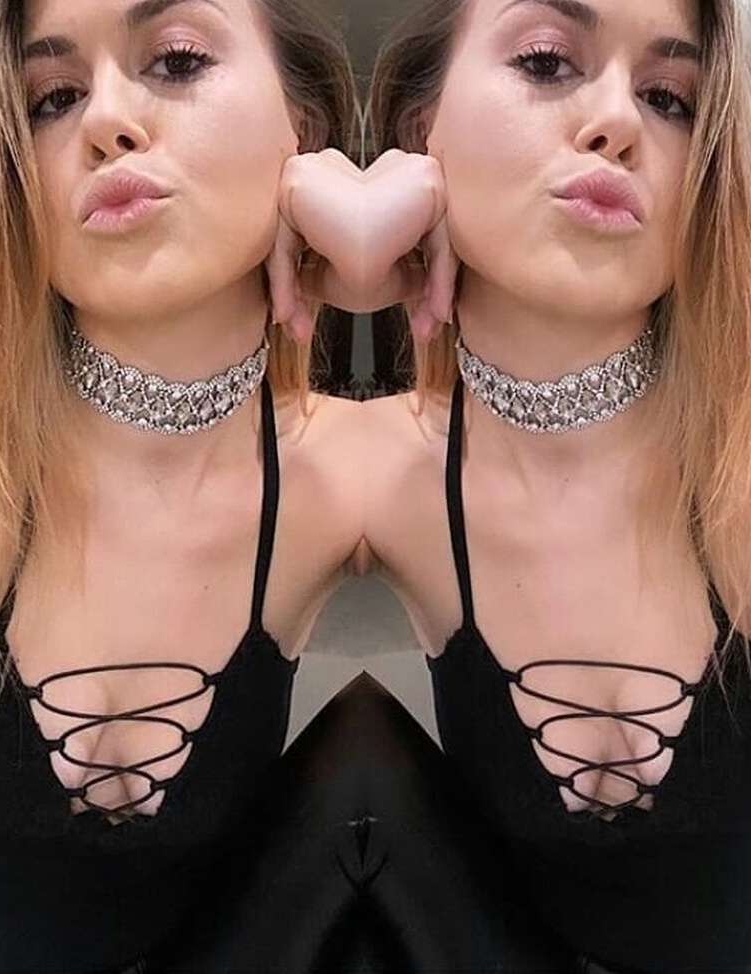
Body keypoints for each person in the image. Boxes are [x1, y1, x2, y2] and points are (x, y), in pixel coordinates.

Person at [0, 0, 364, 970]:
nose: (104, 120)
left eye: (175, 59)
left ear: (302, 131)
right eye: (52, 98)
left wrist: (386, 244)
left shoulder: (346, 474)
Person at [361, 0, 751, 970]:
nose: (617, 119)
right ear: (420, 132)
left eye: (669, 98)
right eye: (546, 61)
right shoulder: (379, 476)